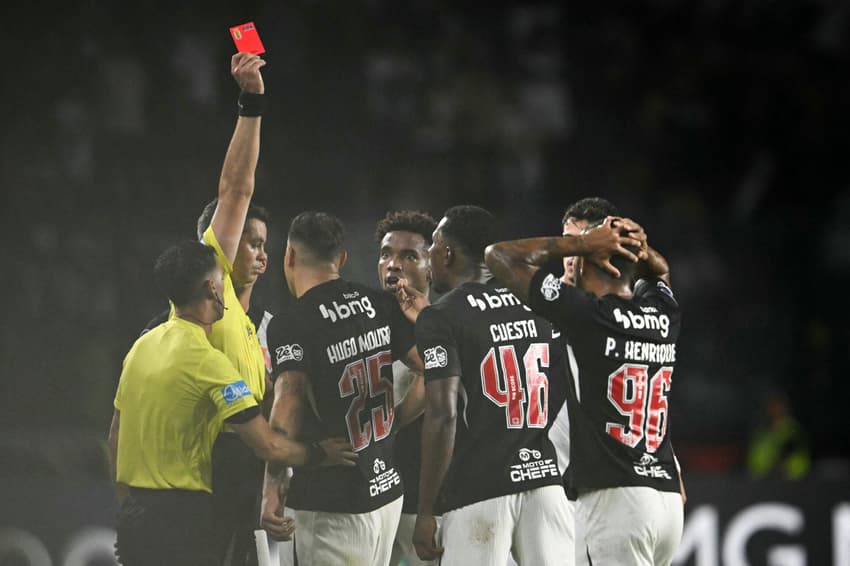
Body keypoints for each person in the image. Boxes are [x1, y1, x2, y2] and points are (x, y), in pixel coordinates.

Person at [107, 240, 357, 566]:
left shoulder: (141, 346)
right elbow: (268, 446)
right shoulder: (210, 363)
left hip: (136, 518)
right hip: (182, 521)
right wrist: (320, 453)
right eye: (221, 279)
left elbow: (115, 435)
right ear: (213, 288)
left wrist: (128, 509)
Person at [485, 216, 685, 566]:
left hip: (616, 500)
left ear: (589, 259)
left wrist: (582, 243)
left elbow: (498, 255)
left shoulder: (587, 315)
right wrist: (638, 245)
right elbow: (661, 272)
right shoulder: (663, 312)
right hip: (666, 499)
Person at [406, 205, 573, 565]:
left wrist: (426, 509)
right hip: (545, 482)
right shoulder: (535, 303)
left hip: (480, 489)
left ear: (448, 253)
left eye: (432, 245)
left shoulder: (441, 316)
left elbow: (443, 415)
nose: (428, 255)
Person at [260, 211, 425, 566]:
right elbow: (433, 370)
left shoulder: (292, 322)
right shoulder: (379, 303)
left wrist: (272, 486)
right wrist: (394, 422)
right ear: (342, 258)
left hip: (330, 503)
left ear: (289, 255)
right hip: (386, 493)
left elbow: (288, 402)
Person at [374, 210, 440, 566]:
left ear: (432, 267)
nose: (392, 264)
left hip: (425, 497)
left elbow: (438, 374)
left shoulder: (449, 323)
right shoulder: (363, 320)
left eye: (408, 256)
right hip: (371, 493)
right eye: (386, 254)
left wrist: (394, 423)